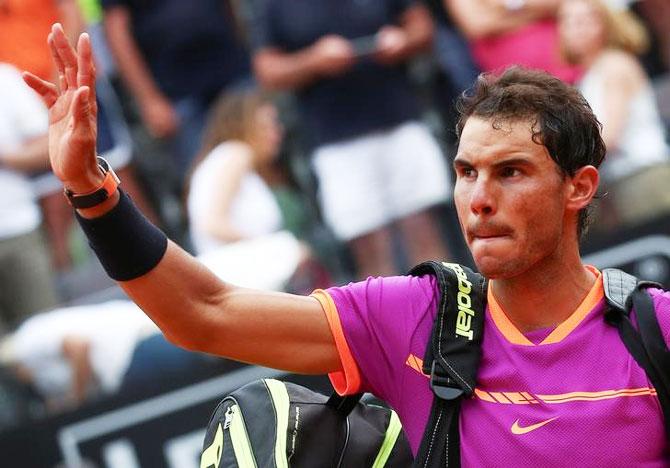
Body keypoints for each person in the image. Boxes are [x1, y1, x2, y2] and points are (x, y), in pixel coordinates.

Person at [24, 25, 670, 465]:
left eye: (511, 172)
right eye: (466, 172)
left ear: (579, 187)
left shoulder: (655, 330)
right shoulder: (418, 317)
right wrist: (91, 188)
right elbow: (202, 311)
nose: (478, 199)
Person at [253, 0, 451, 278]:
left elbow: (422, 26)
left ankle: (445, 316)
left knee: (426, 235)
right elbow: (267, 70)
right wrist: (314, 60)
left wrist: (402, 40)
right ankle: (389, 321)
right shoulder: (275, 5)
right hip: (336, 141)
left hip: (400, 119)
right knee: (371, 253)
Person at [559, 0, 670, 226]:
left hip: (645, 178)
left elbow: (609, 136)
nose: (576, 28)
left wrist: (561, 161)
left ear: (605, 23)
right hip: (622, 184)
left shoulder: (614, 64)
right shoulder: (588, 77)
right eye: (568, 21)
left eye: (584, 20)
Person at [186, 90, 311, 291]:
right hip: (236, 272)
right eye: (266, 126)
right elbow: (211, 223)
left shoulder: (231, 161)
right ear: (244, 127)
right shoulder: (237, 152)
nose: (277, 133)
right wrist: (274, 248)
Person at [0, 62, 59, 331]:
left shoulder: (5, 78)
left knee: (46, 335)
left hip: (18, 229)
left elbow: (49, 146)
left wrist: (7, 157)